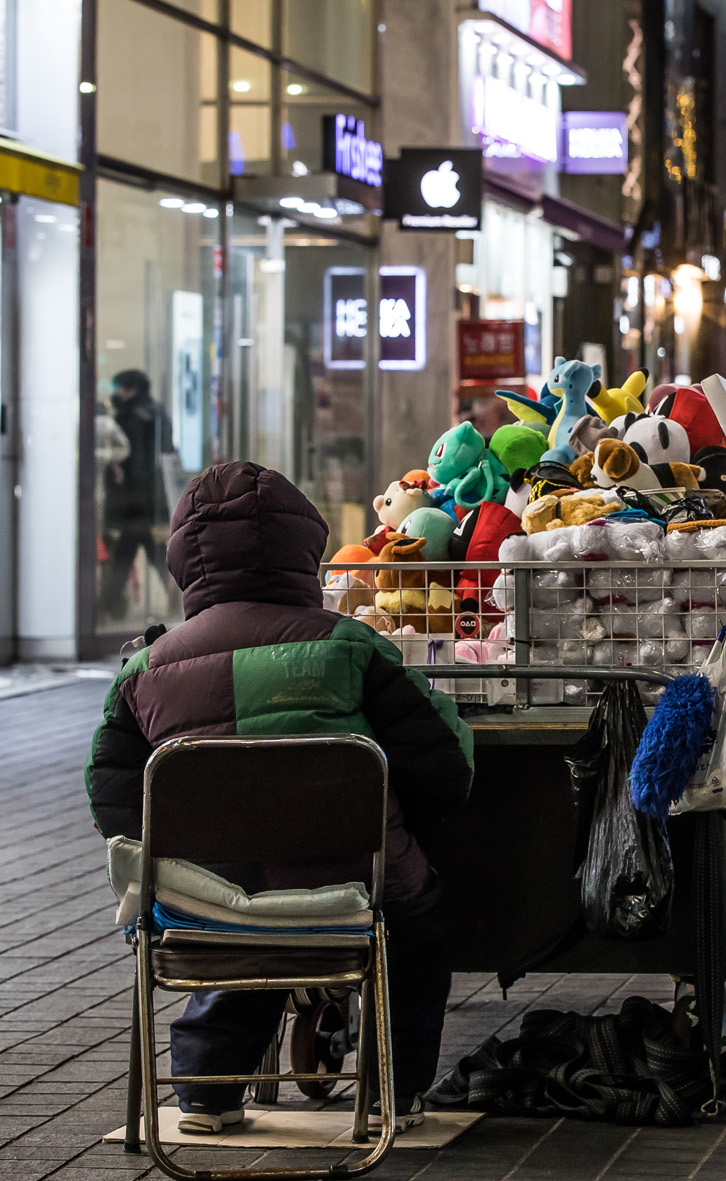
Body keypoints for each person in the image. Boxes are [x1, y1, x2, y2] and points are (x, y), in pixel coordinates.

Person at [85, 461, 474, 1135]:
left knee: (240, 912)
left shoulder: (145, 669)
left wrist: (182, 854)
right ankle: (390, 1091)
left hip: (202, 896)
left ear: (182, 560)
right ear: (304, 549)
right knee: (416, 917)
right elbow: (443, 762)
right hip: (350, 884)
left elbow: (109, 793)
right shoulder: (350, 644)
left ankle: (206, 1091)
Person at [101, 369, 173, 618]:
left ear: (132, 389)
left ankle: (106, 606)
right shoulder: (155, 412)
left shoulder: (135, 416)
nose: (117, 393)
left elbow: (140, 463)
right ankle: (180, 599)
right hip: (147, 499)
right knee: (149, 554)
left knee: (134, 554)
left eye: (120, 387)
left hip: (138, 500)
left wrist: (128, 491)